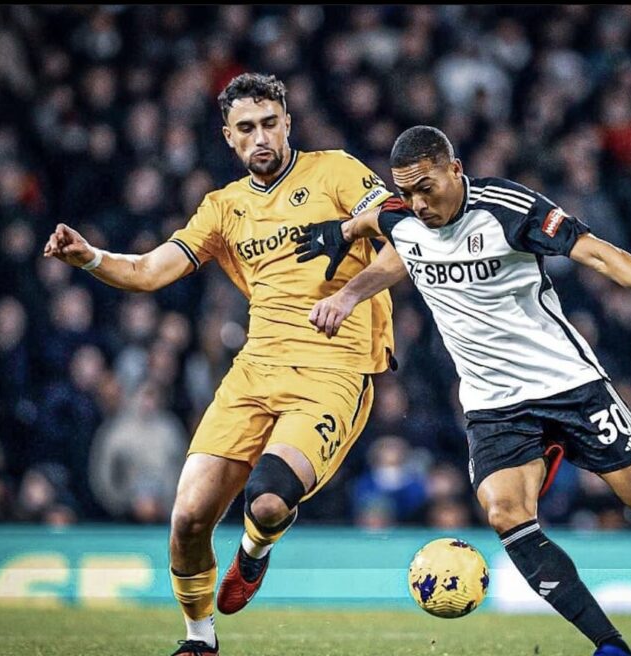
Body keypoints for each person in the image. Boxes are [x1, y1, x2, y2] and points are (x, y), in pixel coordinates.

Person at [295, 126, 631, 656]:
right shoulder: (404, 215)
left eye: (427, 188)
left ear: (455, 169)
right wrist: (348, 272)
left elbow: (596, 253)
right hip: (493, 405)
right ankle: (610, 647)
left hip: (569, 386)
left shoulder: (507, 209)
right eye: (408, 191)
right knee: (505, 515)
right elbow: (395, 238)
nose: (419, 203)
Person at [43, 72, 399, 656]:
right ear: (229, 138)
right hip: (254, 372)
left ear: (288, 123)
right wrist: (91, 258)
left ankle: (254, 554)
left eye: (268, 123)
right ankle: (199, 640)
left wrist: (349, 294)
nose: (259, 137)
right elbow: (151, 271)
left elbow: (406, 240)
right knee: (186, 520)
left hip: (335, 371)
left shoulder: (336, 171)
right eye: (245, 129)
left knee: (267, 499)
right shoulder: (223, 207)